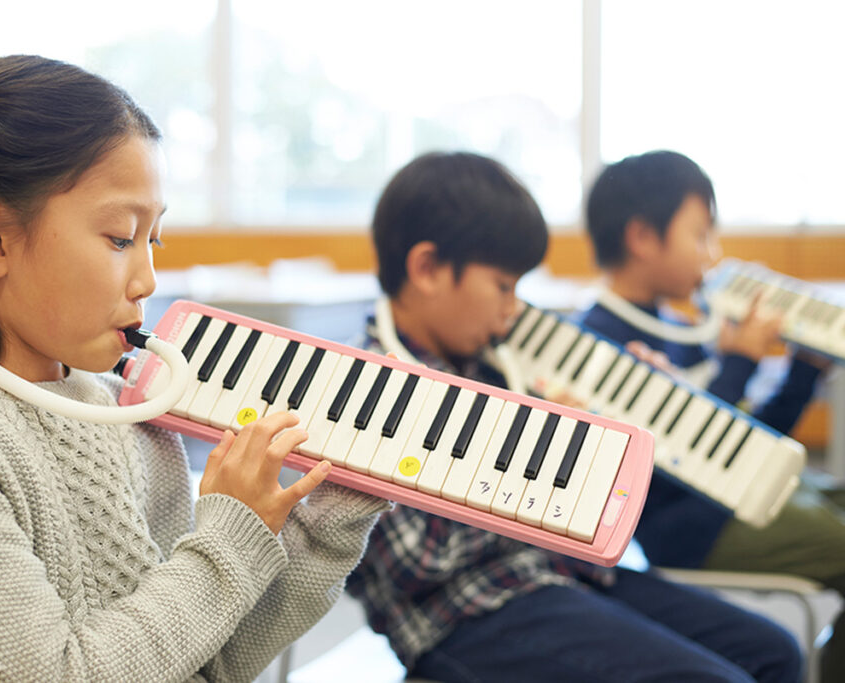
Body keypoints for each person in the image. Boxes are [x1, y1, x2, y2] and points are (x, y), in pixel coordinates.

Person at [0, 54, 387, 682]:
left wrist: (326, 520)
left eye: (155, 241)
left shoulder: (127, 408)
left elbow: (210, 658)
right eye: (120, 238)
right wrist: (230, 535)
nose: (147, 278)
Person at [344, 150, 803, 683]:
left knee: (774, 652)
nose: (513, 309)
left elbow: (598, 511)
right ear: (426, 269)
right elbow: (418, 564)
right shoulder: (372, 387)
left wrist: (632, 404)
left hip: (562, 577)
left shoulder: (490, 359)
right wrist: (545, 448)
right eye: (503, 285)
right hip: (466, 616)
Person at [580, 148, 845, 681]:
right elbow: (686, 464)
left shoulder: (681, 330)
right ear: (642, 238)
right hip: (690, 527)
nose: (712, 252)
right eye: (700, 234)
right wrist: (740, 361)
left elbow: (749, 446)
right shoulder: (599, 343)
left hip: (734, 499)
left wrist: (802, 371)